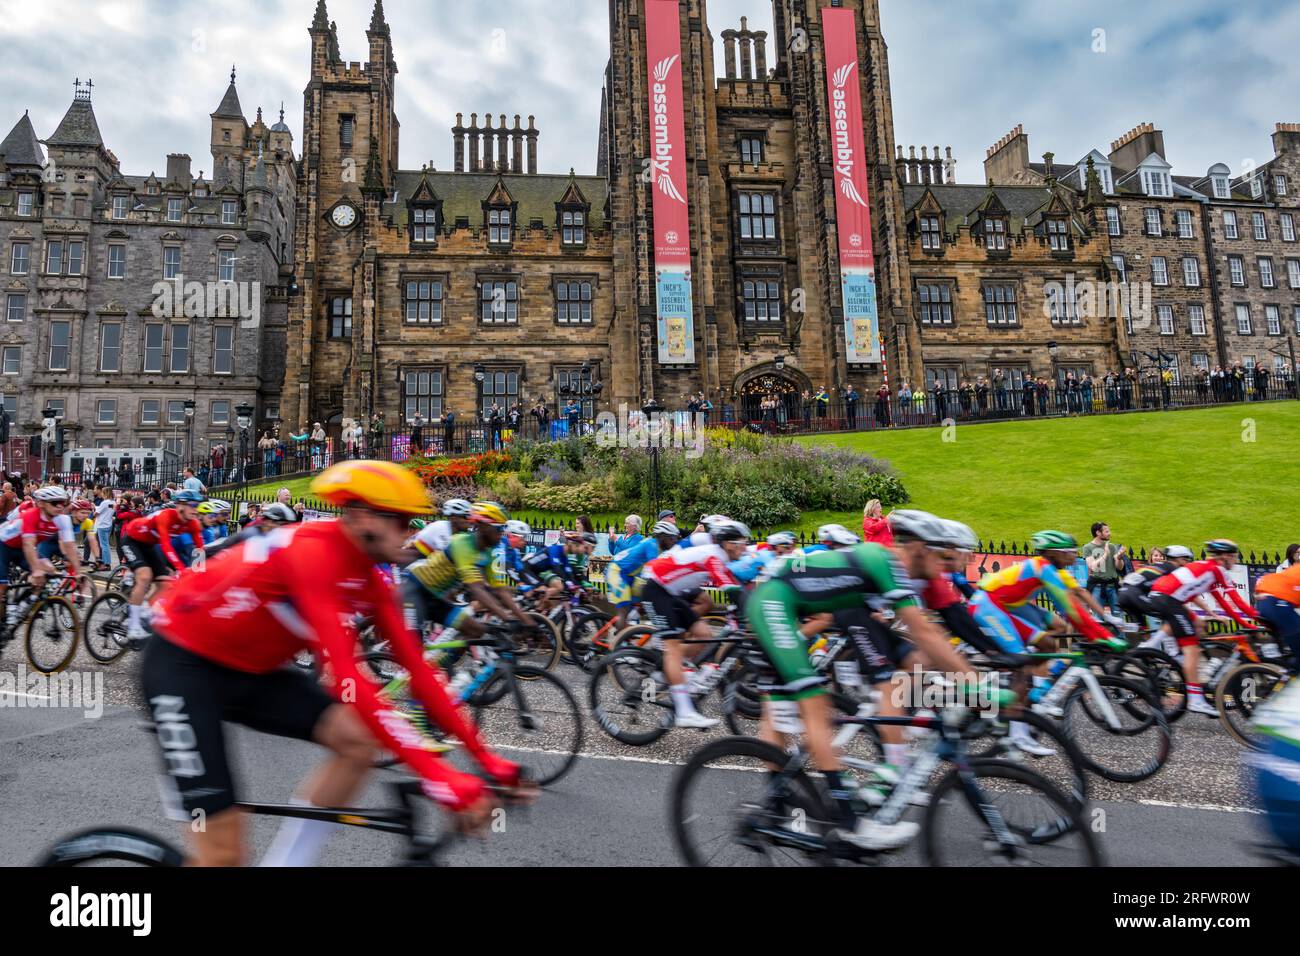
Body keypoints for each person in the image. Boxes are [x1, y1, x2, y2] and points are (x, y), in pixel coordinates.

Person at [140, 461, 531, 867]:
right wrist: (441, 778)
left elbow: (419, 672)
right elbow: (348, 678)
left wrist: (487, 761)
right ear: (361, 516)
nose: (410, 531)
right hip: (183, 666)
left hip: (251, 670)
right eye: (399, 520)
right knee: (223, 856)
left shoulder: (370, 579)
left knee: (359, 740)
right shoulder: (313, 552)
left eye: (413, 521)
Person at [747, 510, 981, 851]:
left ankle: (773, 805)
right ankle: (849, 823)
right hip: (773, 605)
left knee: (780, 709)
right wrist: (979, 684)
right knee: (816, 704)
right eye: (942, 553)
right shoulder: (883, 561)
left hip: (784, 605)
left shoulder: (893, 567)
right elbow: (924, 630)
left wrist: (967, 680)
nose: (947, 563)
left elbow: (923, 635)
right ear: (919, 548)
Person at [639, 519, 749, 728]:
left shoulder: (722, 557)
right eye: (740, 542)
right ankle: (684, 711)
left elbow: (737, 586)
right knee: (673, 648)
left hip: (670, 592)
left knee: (703, 633)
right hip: (656, 590)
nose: (744, 546)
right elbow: (731, 590)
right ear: (728, 543)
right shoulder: (714, 556)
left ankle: (671, 672)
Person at [1147, 539, 1262, 716]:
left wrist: (1246, 623)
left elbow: (1223, 602)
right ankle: (1196, 699)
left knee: (1196, 626)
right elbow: (1237, 601)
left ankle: (1151, 648)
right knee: (1191, 649)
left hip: (1162, 597)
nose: (1236, 560)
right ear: (1224, 556)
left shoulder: (1209, 569)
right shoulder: (1217, 569)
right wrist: (1258, 620)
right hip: (1168, 600)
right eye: (1234, 556)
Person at [120, 490, 206, 643]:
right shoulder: (166, 516)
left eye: (198, 506)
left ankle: (142, 609)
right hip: (132, 539)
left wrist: (199, 573)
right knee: (145, 576)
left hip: (149, 545)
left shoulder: (192, 523)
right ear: (180, 505)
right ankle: (133, 627)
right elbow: (166, 545)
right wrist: (181, 569)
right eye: (192, 505)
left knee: (165, 584)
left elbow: (199, 549)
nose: (196, 509)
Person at [0, 487, 82, 630]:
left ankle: (24, 606)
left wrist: (79, 572)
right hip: (3, 546)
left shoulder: (63, 520)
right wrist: (36, 569)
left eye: (62, 503)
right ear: (42, 503)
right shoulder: (30, 515)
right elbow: (28, 544)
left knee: (50, 571)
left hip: (21, 549)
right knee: (2, 586)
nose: (59, 506)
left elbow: (70, 547)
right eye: (55, 502)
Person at [606, 520, 679, 631]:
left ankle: (630, 623)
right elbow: (655, 570)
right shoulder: (652, 544)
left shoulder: (660, 548)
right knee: (624, 610)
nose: (675, 542)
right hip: (616, 572)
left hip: (629, 575)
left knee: (647, 597)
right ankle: (619, 644)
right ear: (663, 537)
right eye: (672, 538)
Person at [403, 499, 472, 562]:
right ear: (454, 518)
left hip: (423, 561)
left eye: (471, 517)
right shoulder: (441, 528)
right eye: (466, 517)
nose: (470, 520)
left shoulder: (461, 533)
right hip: (406, 559)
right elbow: (449, 560)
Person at [1082, 522, 1124, 613]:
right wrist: (1105, 554)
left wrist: (1119, 558)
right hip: (1097, 587)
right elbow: (1092, 566)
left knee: (1118, 615)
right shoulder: (1087, 547)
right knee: (1098, 617)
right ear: (1098, 533)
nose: (1109, 533)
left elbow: (1119, 567)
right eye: (1106, 531)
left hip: (1113, 586)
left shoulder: (1112, 546)